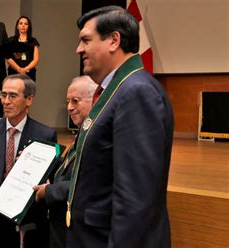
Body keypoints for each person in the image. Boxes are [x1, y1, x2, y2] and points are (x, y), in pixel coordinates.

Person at [67, 6, 174, 248]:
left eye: (85, 40)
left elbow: (135, 199)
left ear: (114, 40)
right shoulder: (118, 89)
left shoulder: (136, 91)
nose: (78, 49)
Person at [0, 74, 57, 248]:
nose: (6, 101)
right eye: (3, 95)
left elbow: (49, 178)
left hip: (28, 221)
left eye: (12, 96)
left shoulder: (45, 135)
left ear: (29, 100)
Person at [32, 76, 97, 248]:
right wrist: (35, 159)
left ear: (96, 98)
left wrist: (50, 191)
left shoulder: (98, 136)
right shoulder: (84, 132)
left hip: (79, 230)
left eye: (75, 101)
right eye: (67, 101)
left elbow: (91, 183)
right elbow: (68, 168)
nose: (69, 107)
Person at [5, 16, 40, 81]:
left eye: (26, 24)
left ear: (28, 27)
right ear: (17, 26)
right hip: (13, 73)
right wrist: (18, 69)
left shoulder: (33, 41)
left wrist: (26, 69)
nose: (23, 25)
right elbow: (8, 58)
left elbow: (36, 59)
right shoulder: (11, 40)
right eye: (21, 23)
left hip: (29, 73)